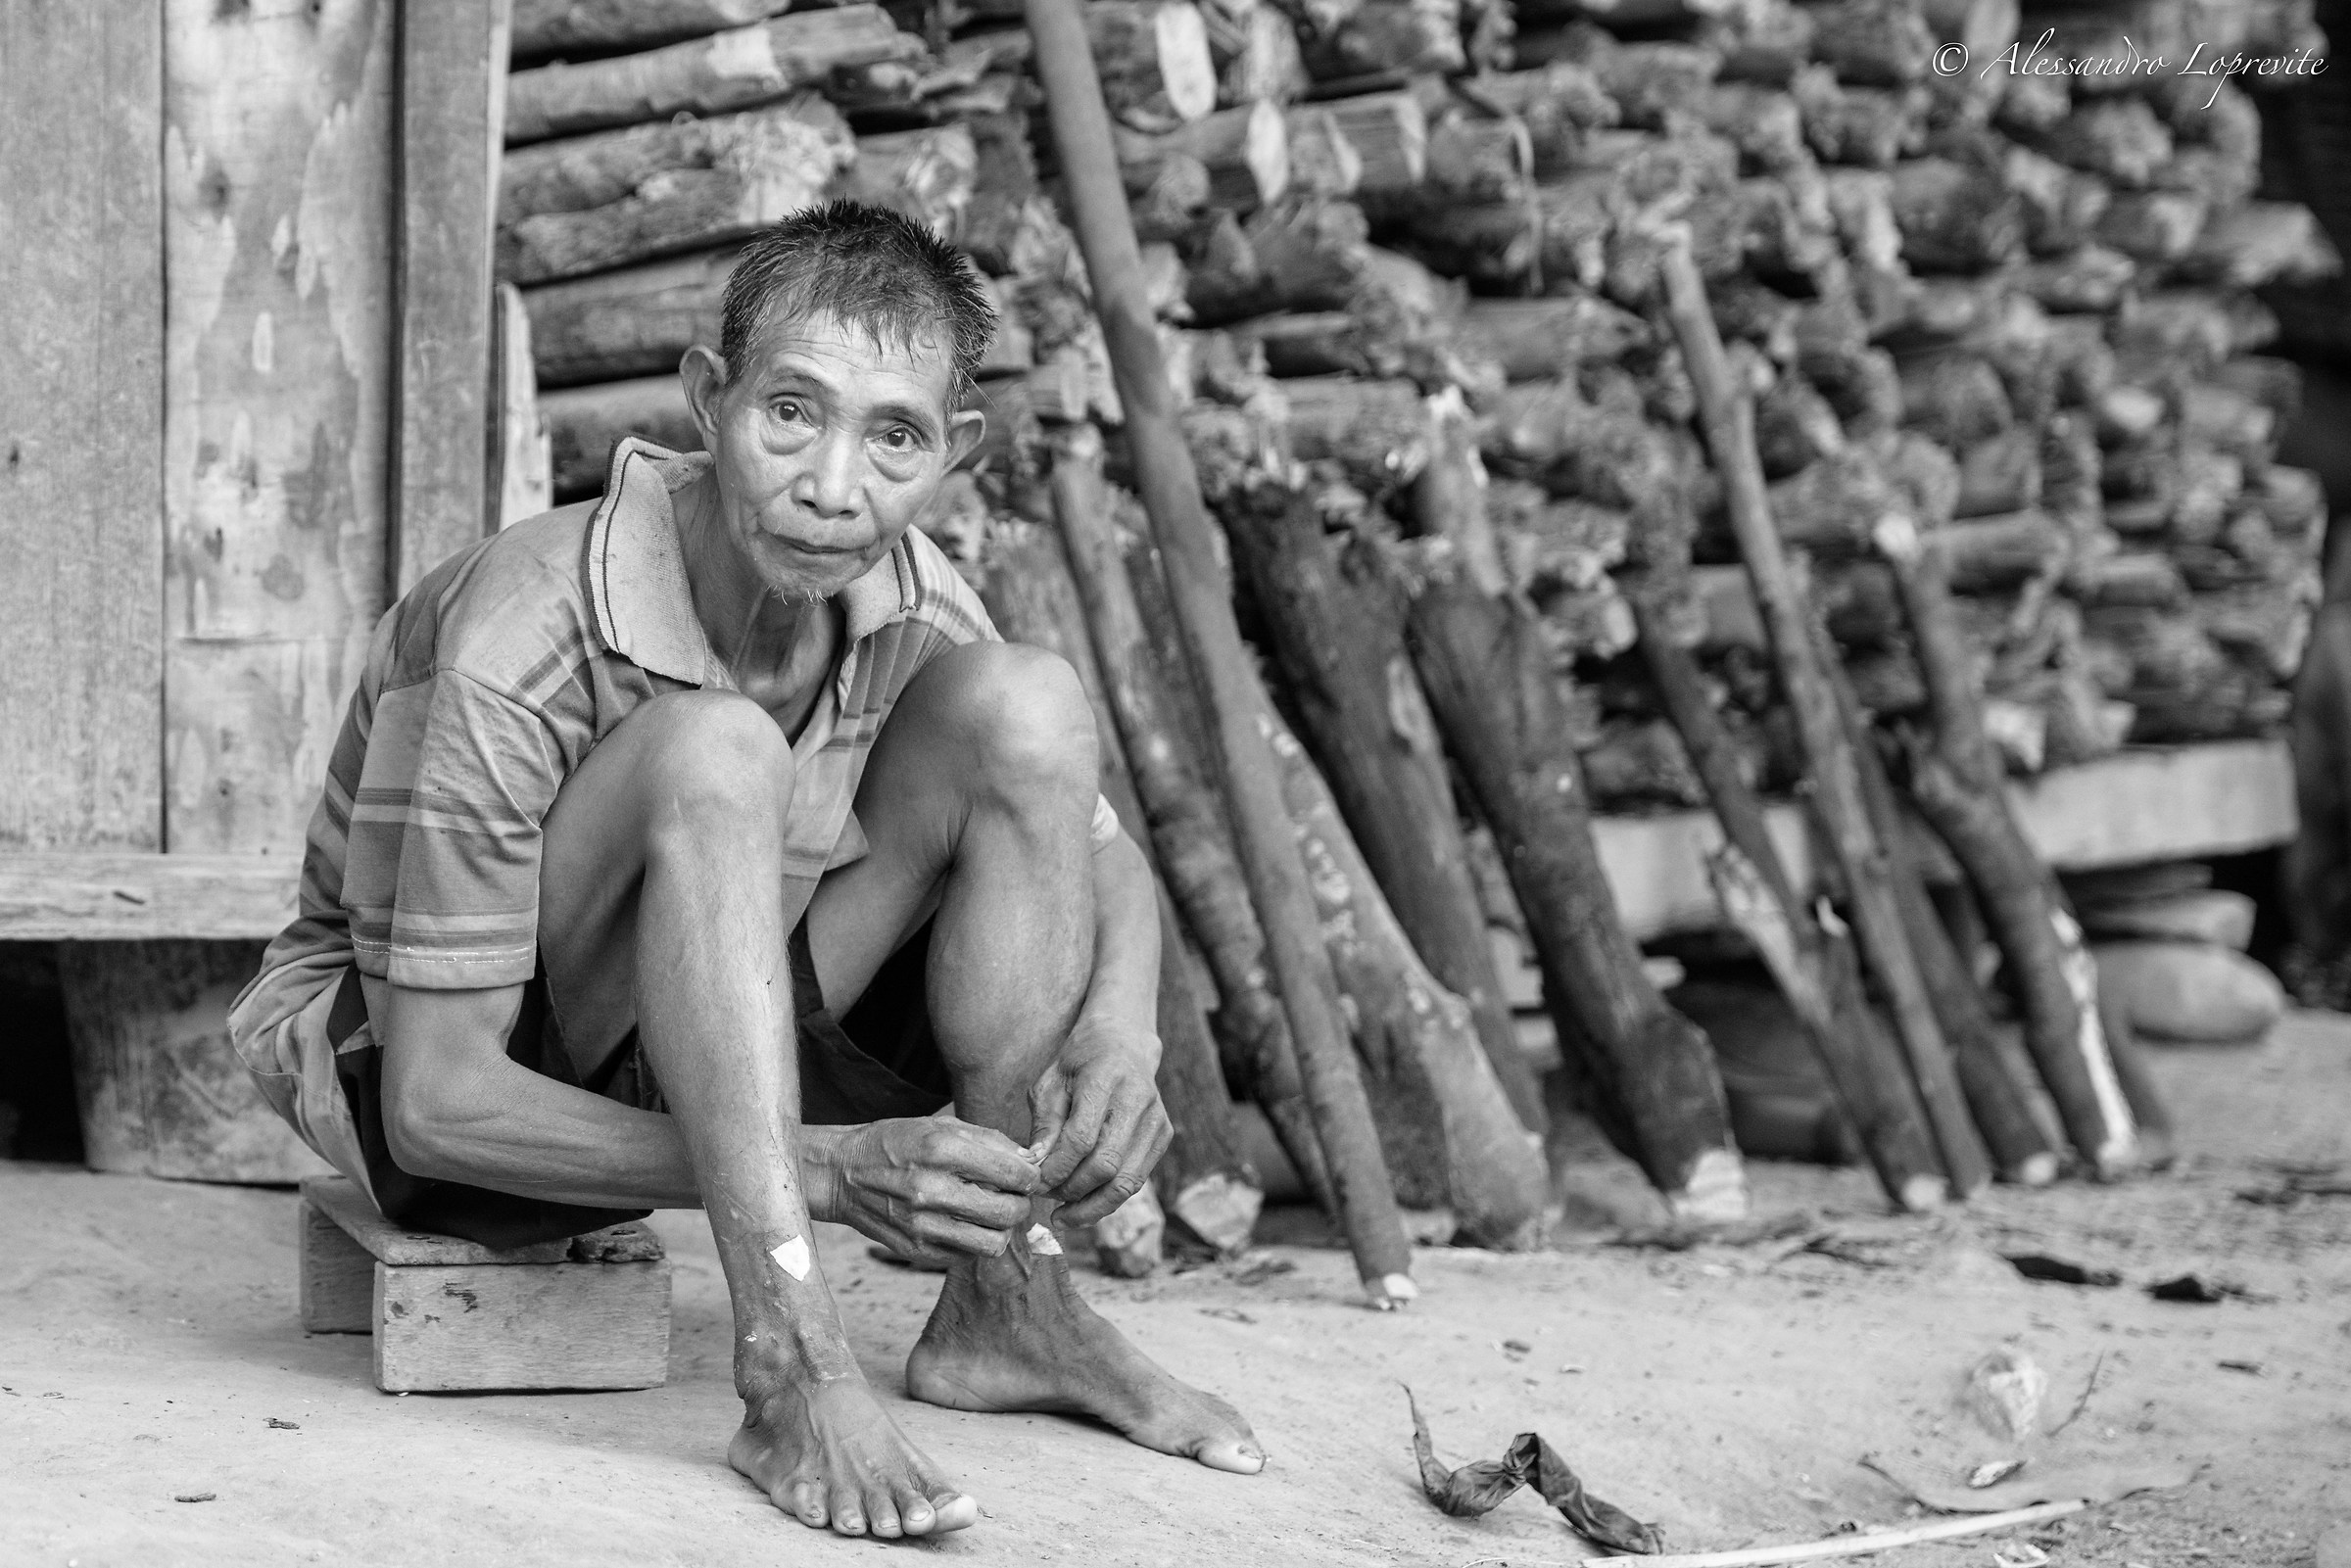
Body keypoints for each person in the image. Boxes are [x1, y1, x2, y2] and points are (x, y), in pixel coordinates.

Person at [229, 201, 1262, 1539]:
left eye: (891, 437)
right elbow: (433, 1104)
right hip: (423, 1072)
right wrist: (833, 1168)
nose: (834, 485)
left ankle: (1009, 1292)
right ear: (710, 400)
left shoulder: (907, 600)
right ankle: (789, 1354)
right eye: (792, 414)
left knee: (1028, 706)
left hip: (704, 1029)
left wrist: (1125, 1036)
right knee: (718, 753)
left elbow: (1103, 864)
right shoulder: (527, 622)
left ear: (955, 453)